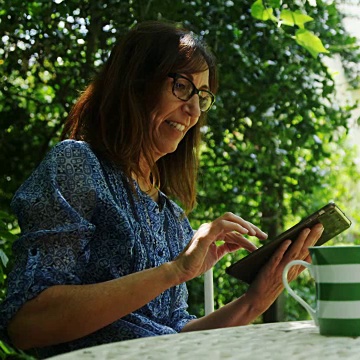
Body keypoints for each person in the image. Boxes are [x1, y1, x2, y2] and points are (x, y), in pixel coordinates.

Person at [0, 21, 324, 358]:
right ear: (136, 83)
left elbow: (175, 335)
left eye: (202, 96)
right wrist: (175, 270)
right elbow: (26, 323)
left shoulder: (170, 216)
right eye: (182, 86)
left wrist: (257, 298)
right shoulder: (76, 165)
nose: (194, 110)